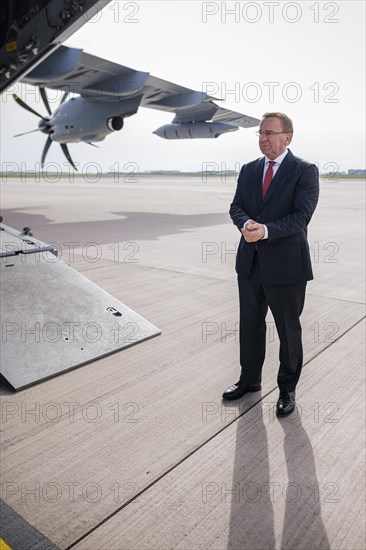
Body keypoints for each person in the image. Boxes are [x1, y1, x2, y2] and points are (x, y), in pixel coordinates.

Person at [223, 112, 319, 416]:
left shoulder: (304, 171)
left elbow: (301, 217)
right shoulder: (249, 170)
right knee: (250, 326)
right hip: (250, 264)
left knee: (288, 330)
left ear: (286, 137)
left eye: (269, 133)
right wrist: (246, 221)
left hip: (286, 266)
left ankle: (287, 389)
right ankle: (249, 380)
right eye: (260, 133)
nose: (263, 138)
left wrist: (264, 231)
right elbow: (236, 206)